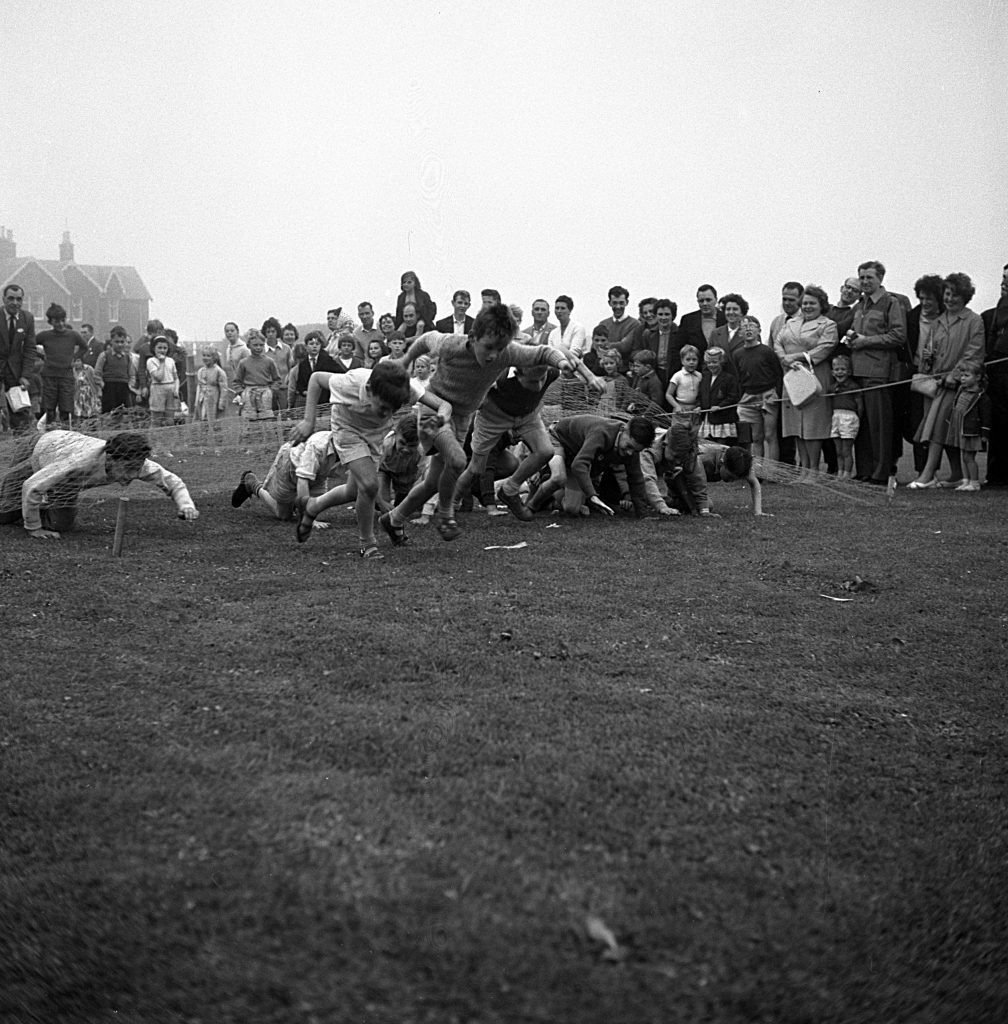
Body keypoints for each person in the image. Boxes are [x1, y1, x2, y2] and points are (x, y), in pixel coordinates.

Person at [379, 304, 599, 543]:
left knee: (433, 483)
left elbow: (543, 352)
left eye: (500, 348)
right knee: (458, 459)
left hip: (462, 417)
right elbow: (426, 338)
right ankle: (445, 515)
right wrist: (404, 360)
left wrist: (561, 363)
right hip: (435, 409)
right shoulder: (451, 344)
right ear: (473, 338)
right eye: (488, 347)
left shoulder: (506, 353)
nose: (494, 354)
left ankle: (394, 519)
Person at [287, 361, 451, 559]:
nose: (387, 413)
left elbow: (444, 404)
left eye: (393, 409)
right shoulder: (351, 382)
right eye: (383, 407)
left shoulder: (406, 389)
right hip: (347, 428)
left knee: (353, 491)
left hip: (376, 435)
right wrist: (308, 420)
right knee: (370, 485)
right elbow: (315, 379)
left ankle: (312, 506)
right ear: (368, 390)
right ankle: (368, 543)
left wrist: (440, 420)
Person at [0, 430, 198, 539]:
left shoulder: (136, 462)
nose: (132, 475)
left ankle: (32, 509)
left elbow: (172, 482)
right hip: (37, 449)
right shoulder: (79, 462)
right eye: (128, 468)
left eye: (136, 468)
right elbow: (32, 485)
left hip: (67, 480)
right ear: (111, 459)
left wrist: (186, 505)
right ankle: (25, 512)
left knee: (62, 525)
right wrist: (34, 529)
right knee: (5, 513)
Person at [452, 361, 563, 522]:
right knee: (476, 467)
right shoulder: (499, 378)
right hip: (493, 417)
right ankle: (450, 504)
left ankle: (510, 489)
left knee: (545, 451)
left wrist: (587, 374)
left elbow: (561, 352)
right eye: (533, 381)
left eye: (542, 379)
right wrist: (491, 506)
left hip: (526, 415)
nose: (539, 385)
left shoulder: (551, 372)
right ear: (518, 375)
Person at [907, 273, 986, 489]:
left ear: (965, 297)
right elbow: (928, 351)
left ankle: (928, 475)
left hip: (958, 387)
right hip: (934, 386)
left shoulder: (974, 320)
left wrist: (954, 376)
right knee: (945, 429)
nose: (950, 299)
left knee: (936, 429)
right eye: (947, 294)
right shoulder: (938, 321)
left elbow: (974, 353)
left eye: (955, 295)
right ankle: (957, 474)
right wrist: (927, 370)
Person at [847, 261, 906, 483]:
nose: (864, 281)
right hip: (857, 371)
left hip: (878, 372)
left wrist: (866, 342)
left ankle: (881, 472)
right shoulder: (860, 304)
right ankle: (864, 470)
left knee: (880, 424)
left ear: (880, 278)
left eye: (869, 277)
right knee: (862, 426)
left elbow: (898, 336)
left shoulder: (891, 303)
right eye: (861, 277)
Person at [527, 414, 654, 517]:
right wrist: (592, 495)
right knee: (558, 477)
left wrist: (642, 514)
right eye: (629, 446)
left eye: (635, 451)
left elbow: (636, 478)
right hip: (559, 439)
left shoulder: (630, 451)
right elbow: (579, 464)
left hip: (575, 456)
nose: (630, 453)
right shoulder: (602, 433)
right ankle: (530, 508)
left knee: (572, 508)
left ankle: (548, 495)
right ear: (624, 430)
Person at [774, 284, 838, 481]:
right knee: (796, 426)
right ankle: (802, 469)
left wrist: (796, 357)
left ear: (821, 305)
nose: (808, 306)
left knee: (812, 426)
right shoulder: (791, 322)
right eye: (805, 303)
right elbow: (777, 342)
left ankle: (813, 470)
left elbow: (824, 348)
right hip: (791, 377)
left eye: (812, 303)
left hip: (814, 376)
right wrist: (784, 357)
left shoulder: (827, 325)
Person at [231, 430, 343, 523]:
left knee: (317, 510)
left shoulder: (350, 446)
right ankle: (252, 483)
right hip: (289, 465)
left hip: (316, 475)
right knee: (284, 515)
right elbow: (303, 481)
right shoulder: (318, 447)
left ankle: (295, 503)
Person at [734, 315, 782, 462]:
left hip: (768, 395)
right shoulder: (737, 354)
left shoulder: (767, 351)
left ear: (759, 330)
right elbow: (739, 378)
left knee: (770, 435)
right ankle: (758, 470)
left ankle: (772, 470)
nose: (748, 330)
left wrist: (776, 394)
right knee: (756, 437)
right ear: (740, 332)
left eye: (752, 326)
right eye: (744, 327)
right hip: (749, 397)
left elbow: (778, 374)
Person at [36, 303, 88, 426]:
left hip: (66, 376)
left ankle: (65, 436)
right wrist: (42, 356)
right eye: (56, 321)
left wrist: (74, 358)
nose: (60, 324)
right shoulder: (45, 335)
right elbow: (29, 345)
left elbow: (84, 347)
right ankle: (48, 437)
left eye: (63, 320)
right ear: (50, 322)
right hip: (49, 376)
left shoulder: (73, 335)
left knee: (66, 410)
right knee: (49, 410)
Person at [981, 263, 1008, 487]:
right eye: (1003, 278)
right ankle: (996, 475)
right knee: (998, 426)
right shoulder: (994, 312)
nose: (1003, 284)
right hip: (997, 376)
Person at [944, 362, 989, 492]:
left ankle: (974, 482)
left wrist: (985, 434)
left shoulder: (981, 397)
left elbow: (986, 417)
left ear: (978, 377)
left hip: (972, 432)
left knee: (969, 457)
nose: (963, 378)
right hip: (962, 429)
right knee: (964, 456)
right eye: (962, 375)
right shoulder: (961, 390)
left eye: (967, 375)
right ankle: (966, 480)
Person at [1, 284, 40, 433]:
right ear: (3, 299)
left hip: (15, 373)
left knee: (20, 416)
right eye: (11, 298)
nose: (15, 303)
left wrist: (25, 375)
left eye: (19, 299)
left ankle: (21, 453)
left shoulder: (27, 318)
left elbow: (30, 348)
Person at [826, 355, 863, 480]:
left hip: (849, 417)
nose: (839, 372)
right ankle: (840, 471)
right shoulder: (832, 387)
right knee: (838, 450)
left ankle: (847, 472)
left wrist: (859, 417)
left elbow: (859, 404)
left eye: (843, 369)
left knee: (846, 449)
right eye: (836, 369)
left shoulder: (853, 387)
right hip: (836, 416)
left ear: (849, 372)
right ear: (832, 372)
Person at [377, 417, 424, 511]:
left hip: (407, 474)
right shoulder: (387, 443)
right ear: (395, 434)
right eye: (402, 443)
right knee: (382, 502)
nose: (406, 449)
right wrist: (379, 501)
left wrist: (426, 513)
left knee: (404, 505)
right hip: (385, 469)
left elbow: (426, 477)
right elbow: (372, 471)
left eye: (412, 445)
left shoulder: (423, 450)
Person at [234, 329, 281, 420]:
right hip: (249, 394)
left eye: (261, 345)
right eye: (255, 345)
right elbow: (237, 381)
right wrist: (242, 392)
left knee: (266, 420)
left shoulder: (269, 361)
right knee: (249, 421)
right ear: (248, 345)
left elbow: (277, 379)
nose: (258, 348)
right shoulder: (243, 363)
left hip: (265, 393)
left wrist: (271, 391)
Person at [698, 346, 739, 441]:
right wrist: (700, 406)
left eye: (715, 362)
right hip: (708, 419)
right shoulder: (705, 377)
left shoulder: (729, 378)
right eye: (709, 362)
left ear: (721, 362)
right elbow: (702, 395)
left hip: (723, 419)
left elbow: (733, 397)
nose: (711, 365)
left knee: (722, 446)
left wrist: (720, 406)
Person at [676, 284, 725, 362]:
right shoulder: (688, 320)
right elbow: (679, 347)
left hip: (721, 367)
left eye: (708, 300)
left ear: (716, 300)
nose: (705, 304)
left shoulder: (725, 319)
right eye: (701, 301)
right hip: (695, 368)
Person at [291, 331, 339, 408]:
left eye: (317, 344)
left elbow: (339, 374)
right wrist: (305, 392)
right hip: (309, 399)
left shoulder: (327, 360)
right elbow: (300, 384)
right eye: (311, 344)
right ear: (306, 347)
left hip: (326, 399)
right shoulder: (303, 364)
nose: (314, 346)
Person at [94, 327, 135, 415]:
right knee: (108, 414)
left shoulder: (128, 357)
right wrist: (102, 385)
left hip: (123, 388)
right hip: (109, 388)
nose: (120, 344)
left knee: (123, 414)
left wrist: (130, 385)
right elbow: (97, 373)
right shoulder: (104, 355)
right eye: (117, 342)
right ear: (111, 341)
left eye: (122, 342)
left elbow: (132, 374)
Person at [593, 286, 639, 355]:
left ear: (626, 302)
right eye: (614, 303)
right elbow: (594, 346)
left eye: (621, 303)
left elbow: (624, 347)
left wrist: (605, 345)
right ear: (609, 303)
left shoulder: (635, 324)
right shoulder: (603, 324)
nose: (618, 307)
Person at [195, 345, 229, 438]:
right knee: (203, 421)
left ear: (214, 357)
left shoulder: (219, 371)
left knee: (216, 422)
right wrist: (197, 401)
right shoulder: (201, 371)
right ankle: (204, 444)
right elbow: (199, 386)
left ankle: (218, 446)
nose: (205, 358)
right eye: (204, 355)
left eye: (208, 356)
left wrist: (221, 402)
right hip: (203, 399)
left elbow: (224, 388)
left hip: (214, 399)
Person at [146, 335, 180, 427]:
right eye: (159, 348)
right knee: (157, 420)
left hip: (170, 390)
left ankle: (168, 439)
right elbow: (159, 377)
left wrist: (176, 390)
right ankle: (155, 439)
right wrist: (161, 362)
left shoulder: (171, 361)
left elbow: (176, 378)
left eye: (165, 348)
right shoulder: (151, 361)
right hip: (158, 390)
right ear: (154, 348)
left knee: (170, 421)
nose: (162, 350)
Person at [708, 293, 748, 367]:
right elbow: (707, 359)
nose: (731, 312)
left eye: (735, 309)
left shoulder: (749, 334)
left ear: (742, 313)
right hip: (721, 376)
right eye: (728, 309)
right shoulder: (716, 333)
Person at [547, 295, 589, 360]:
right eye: (557, 308)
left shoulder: (578, 328)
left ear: (570, 310)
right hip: (557, 367)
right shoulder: (553, 333)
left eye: (562, 308)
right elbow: (549, 354)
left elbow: (574, 353)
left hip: (577, 366)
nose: (559, 311)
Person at [665, 345, 703, 414]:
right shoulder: (677, 376)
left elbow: (702, 394)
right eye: (688, 359)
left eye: (694, 360)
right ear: (682, 361)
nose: (691, 362)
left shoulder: (699, 376)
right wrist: (677, 406)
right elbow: (668, 394)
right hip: (681, 409)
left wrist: (700, 406)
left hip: (695, 410)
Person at [223, 322, 249, 416]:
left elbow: (249, 368)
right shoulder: (228, 349)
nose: (229, 333)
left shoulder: (244, 349)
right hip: (235, 384)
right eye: (227, 331)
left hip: (246, 384)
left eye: (232, 330)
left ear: (237, 332)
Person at [72, 356, 102, 422]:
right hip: (78, 394)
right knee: (78, 412)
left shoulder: (88, 369)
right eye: (74, 361)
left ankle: (92, 426)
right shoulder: (72, 371)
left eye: (78, 361)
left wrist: (99, 390)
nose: (76, 363)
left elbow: (96, 379)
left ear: (82, 361)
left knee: (91, 412)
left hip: (89, 392)